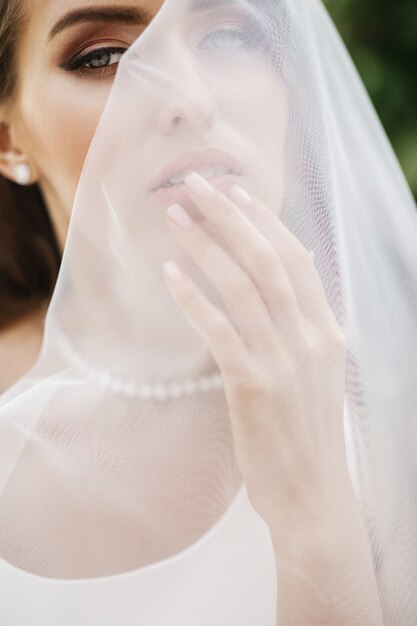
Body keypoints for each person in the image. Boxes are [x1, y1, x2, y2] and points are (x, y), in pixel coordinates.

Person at [0, 1, 416, 624]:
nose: (188, 99)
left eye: (227, 37)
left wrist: (317, 513)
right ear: (8, 139)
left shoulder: (398, 415)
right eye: (104, 57)